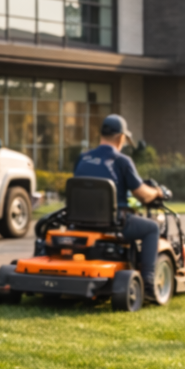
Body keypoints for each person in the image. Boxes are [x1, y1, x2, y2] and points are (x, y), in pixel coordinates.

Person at [74, 114, 162, 299]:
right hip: (113, 222)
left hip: (80, 221)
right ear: (121, 137)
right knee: (152, 228)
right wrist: (157, 192)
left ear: (101, 135)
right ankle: (148, 284)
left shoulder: (83, 158)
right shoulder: (122, 161)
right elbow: (142, 194)